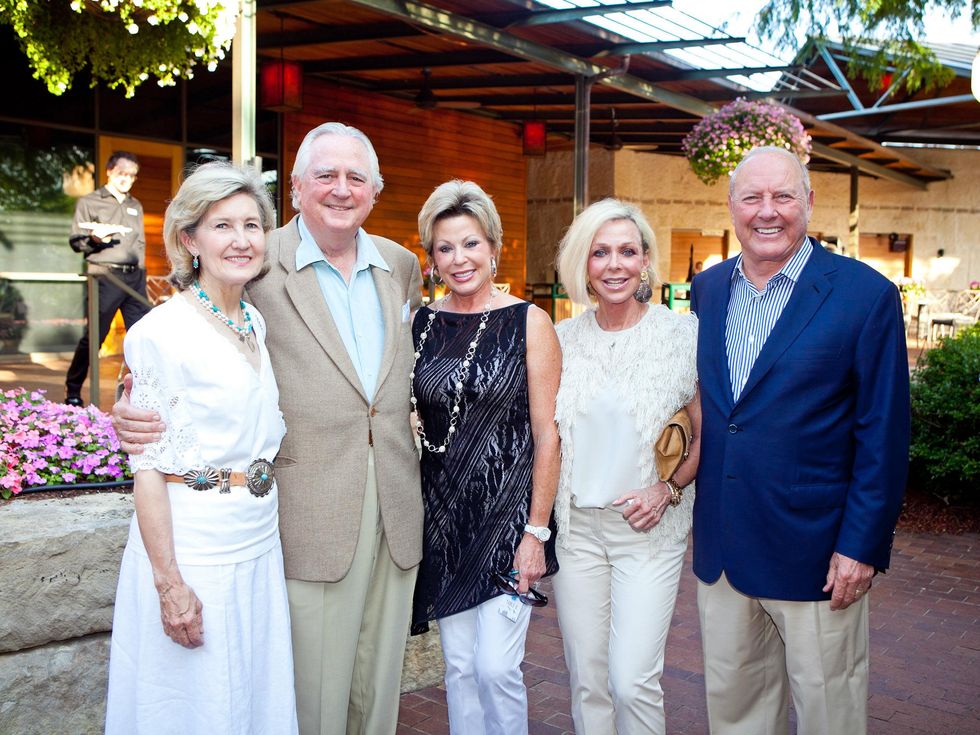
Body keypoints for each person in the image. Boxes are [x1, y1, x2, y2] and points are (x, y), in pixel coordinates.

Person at [112, 122, 424, 735]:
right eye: (325, 176)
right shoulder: (257, 263)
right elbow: (168, 369)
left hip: (391, 506)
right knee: (294, 700)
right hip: (302, 518)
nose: (341, 189)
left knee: (367, 693)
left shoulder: (400, 265)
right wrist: (130, 408)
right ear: (298, 189)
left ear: (376, 190)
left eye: (356, 177)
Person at [690, 146, 910, 735]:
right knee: (735, 715)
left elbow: (882, 436)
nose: (768, 211)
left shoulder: (866, 296)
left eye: (783, 196)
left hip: (817, 555)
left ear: (809, 203)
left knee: (828, 712)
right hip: (725, 554)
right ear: (731, 206)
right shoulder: (706, 290)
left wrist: (861, 547)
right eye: (752, 197)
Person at [104, 161, 297, 733]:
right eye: (222, 226)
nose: (241, 240)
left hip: (258, 539)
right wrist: (169, 584)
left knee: (251, 696)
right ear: (189, 239)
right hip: (195, 550)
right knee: (195, 704)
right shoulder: (160, 333)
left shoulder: (255, 323)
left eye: (252, 225)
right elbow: (149, 470)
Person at [409, 180, 561, 735]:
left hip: (509, 518)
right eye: (445, 248)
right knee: (458, 666)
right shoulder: (423, 324)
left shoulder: (529, 322)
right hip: (444, 519)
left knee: (497, 667)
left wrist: (536, 533)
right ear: (432, 258)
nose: (459, 259)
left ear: (494, 247)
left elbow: (548, 435)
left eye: (470, 244)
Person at [552, 198, 701, 734]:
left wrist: (668, 489)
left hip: (649, 531)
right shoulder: (561, 339)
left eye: (627, 252)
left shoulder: (683, 335)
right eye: (600, 253)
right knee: (587, 679)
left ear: (645, 262)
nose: (614, 264)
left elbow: (704, 430)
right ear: (583, 265)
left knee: (632, 679)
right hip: (577, 534)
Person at [65, 151, 150, 406]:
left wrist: (142, 274)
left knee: (144, 336)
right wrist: (94, 239)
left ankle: (145, 393)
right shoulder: (90, 202)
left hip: (134, 279)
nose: (128, 179)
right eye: (123, 173)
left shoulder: (135, 205)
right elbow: (76, 242)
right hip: (105, 276)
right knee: (95, 337)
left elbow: (140, 243)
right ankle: (73, 390)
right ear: (110, 171)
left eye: (132, 175)